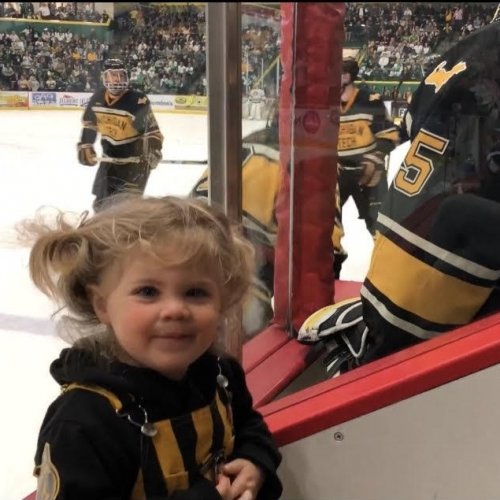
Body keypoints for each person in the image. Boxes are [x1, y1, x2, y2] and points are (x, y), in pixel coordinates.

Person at [24, 195, 282, 499]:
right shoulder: (84, 421)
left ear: (223, 302)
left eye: (196, 292)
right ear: (102, 304)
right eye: (148, 292)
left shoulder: (218, 374)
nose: (175, 310)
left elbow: (248, 425)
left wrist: (255, 460)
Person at [298, 22, 500, 375]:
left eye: (344, 73)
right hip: (351, 178)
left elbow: (401, 129)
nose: (340, 78)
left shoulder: (374, 98)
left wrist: (375, 157)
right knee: (331, 229)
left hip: (372, 177)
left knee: (374, 225)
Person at [77, 59, 164, 211]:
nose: (117, 79)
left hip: (134, 165)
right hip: (109, 161)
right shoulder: (97, 98)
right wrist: (86, 144)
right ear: (105, 78)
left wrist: (152, 150)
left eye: (120, 75)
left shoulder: (136, 100)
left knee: (127, 210)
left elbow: (152, 133)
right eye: (112, 75)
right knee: (101, 205)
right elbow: (90, 124)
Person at [337, 58, 400, 243]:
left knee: (380, 229)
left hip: (370, 175)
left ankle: (386, 267)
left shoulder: (370, 100)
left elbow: (391, 136)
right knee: (324, 225)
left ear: (346, 76)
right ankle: (330, 268)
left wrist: (373, 160)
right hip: (338, 173)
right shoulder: (325, 103)